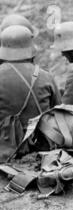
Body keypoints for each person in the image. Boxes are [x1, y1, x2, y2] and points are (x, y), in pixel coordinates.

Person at [0, 25, 61, 160]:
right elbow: (57, 111)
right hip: (42, 146)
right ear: (31, 49)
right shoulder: (45, 76)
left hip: (5, 150)